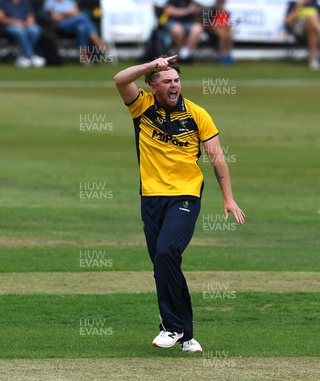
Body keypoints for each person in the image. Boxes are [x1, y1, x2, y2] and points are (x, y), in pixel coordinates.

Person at [113, 55, 245, 352]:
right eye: (166, 81)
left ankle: (171, 327)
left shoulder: (198, 114)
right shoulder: (141, 106)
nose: (174, 86)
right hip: (150, 197)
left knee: (167, 251)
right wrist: (151, 65)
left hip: (186, 194)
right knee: (165, 264)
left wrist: (228, 197)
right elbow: (120, 79)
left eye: (176, 80)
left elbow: (217, 158)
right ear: (153, 85)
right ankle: (188, 336)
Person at [43, 0, 107, 64]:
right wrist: (67, 14)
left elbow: (77, 13)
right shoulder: (50, 2)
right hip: (61, 25)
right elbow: (56, 18)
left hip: (75, 24)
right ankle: (96, 40)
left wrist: (64, 14)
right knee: (83, 17)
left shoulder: (69, 1)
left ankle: (83, 57)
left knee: (82, 28)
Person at [0, 0, 46, 68]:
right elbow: (0, 17)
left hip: (25, 25)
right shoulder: (1, 2)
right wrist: (15, 22)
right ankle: (31, 56)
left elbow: (30, 16)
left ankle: (23, 57)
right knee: (20, 31)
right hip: (9, 25)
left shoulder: (25, 2)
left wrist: (29, 23)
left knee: (35, 30)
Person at [284, 0, 320, 70]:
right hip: (299, 28)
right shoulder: (294, 4)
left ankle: (313, 60)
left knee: (312, 26)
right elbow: (287, 21)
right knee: (311, 18)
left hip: (313, 29)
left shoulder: (315, 4)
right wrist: (298, 7)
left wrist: (316, 18)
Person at [205, 0, 234, 65]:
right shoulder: (212, 12)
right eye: (220, 4)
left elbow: (226, 24)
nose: (222, 6)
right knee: (222, 36)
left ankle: (228, 54)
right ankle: (222, 55)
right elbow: (209, 25)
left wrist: (228, 30)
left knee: (229, 36)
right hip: (212, 33)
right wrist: (219, 31)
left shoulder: (225, 12)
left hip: (222, 30)